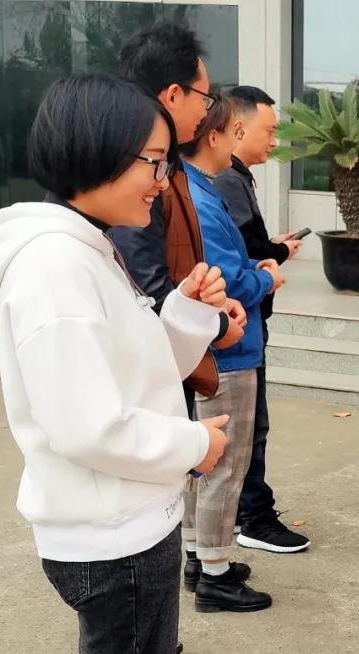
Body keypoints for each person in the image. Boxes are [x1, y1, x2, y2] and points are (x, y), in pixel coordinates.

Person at [0, 74, 228, 654]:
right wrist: (195, 444)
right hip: (114, 537)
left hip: (129, 519)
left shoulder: (87, 246)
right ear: (97, 152)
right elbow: (87, 427)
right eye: (154, 162)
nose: (163, 181)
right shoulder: (55, 268)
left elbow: (134, 372)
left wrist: (187, 311)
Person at [112, 23, 245, 418]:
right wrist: (214, 325)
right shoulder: (137, 171)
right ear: (173, 94)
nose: (207, 111)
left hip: (165, 362)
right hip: (145, 382)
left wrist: (205, 307)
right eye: (205, 97)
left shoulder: (168, 165)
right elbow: (144, 284)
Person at [180, 95, 281, 612]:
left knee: (204, 459)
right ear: (216, 134)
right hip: (230, 347)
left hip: (218, 343)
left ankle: (199, 557)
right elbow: (228, 280)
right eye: (235, 133)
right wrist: (265, 278)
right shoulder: (203, 194)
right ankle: (215, 575)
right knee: (224, 462)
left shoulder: (197, 188)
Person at [215, 85, 310, 554]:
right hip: (235, 328)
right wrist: (272, 265)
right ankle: (250, 516)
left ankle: (239, 514)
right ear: (236, 127)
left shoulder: (231, 179)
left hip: (243, 322)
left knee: (244, 426)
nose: (274, 141)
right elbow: (238, 263)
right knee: (247, 426)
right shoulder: (223, 181)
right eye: (269, 131)